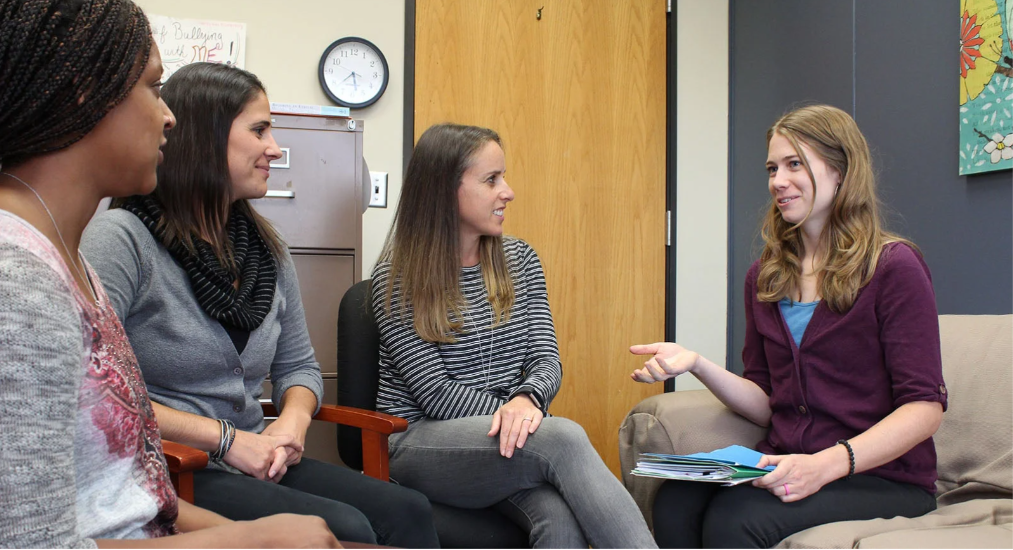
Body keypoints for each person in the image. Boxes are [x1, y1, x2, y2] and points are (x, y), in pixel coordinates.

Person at [0, 1, 339, 547]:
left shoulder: (69, 262)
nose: (169, 117)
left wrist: (250, 533)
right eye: (155, 88)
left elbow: (134, 497)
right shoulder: (18, 281)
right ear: (89, 93)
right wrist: (249, 540)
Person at [81, 61, 439, 548]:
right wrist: (227, 440)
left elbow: (301, 369)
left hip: (259, 458)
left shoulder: (266, 248)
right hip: (177, 469)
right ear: (206, 139)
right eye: (260, 130)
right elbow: (100, 394)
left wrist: (289, 427)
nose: (275, 147)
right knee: (347, 529)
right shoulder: (123, 239)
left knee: (408, 509)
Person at [630, 104, 947, 548]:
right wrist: (697, 364)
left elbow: (924, 408)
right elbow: (767, 403)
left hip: (882, 478)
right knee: (674, 500)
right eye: (772, 167)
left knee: (736, 519)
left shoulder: (893, 267)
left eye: (794, 164)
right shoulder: (765, 276)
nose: (778, 181)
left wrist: (825, 465)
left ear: (840, 170)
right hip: (787, 460)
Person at [371, 122, 658, 549]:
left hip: (504, 440)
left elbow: (546, 358)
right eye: (492, 180)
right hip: (419, 443)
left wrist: (529, 402)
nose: (508, 191)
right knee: (561, 437)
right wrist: (526, 419)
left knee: (560, 520)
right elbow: (437, 395)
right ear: (446, 190)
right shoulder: (396, 279)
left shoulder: (520, 260)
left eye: (503, 176)